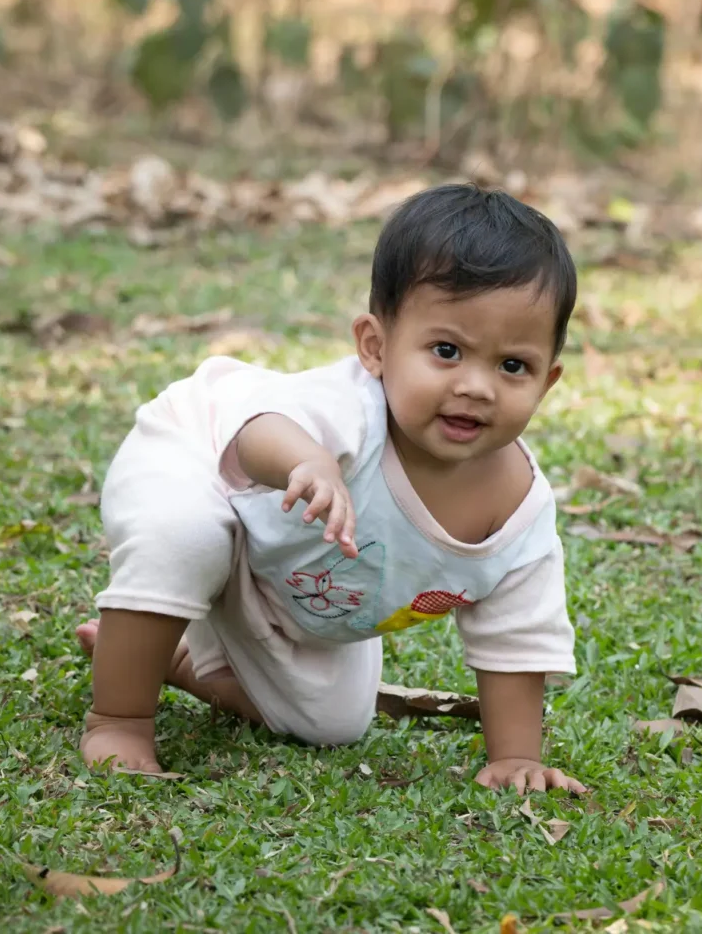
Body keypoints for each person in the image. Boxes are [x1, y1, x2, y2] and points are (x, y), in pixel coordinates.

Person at [77, 183, 586, 795]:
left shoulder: (517, 512)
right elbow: (257, 432)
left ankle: (164, 654)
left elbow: (517, 638)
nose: (477, 386)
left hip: (279, 578)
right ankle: (121, 717)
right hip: (201, 461)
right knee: (185, 537)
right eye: (446, 351)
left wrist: (514, 757)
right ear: (376, 346)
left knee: (334, 723)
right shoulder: (349, 411)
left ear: (547, 380)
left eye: (512, 366)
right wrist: (308, 460)